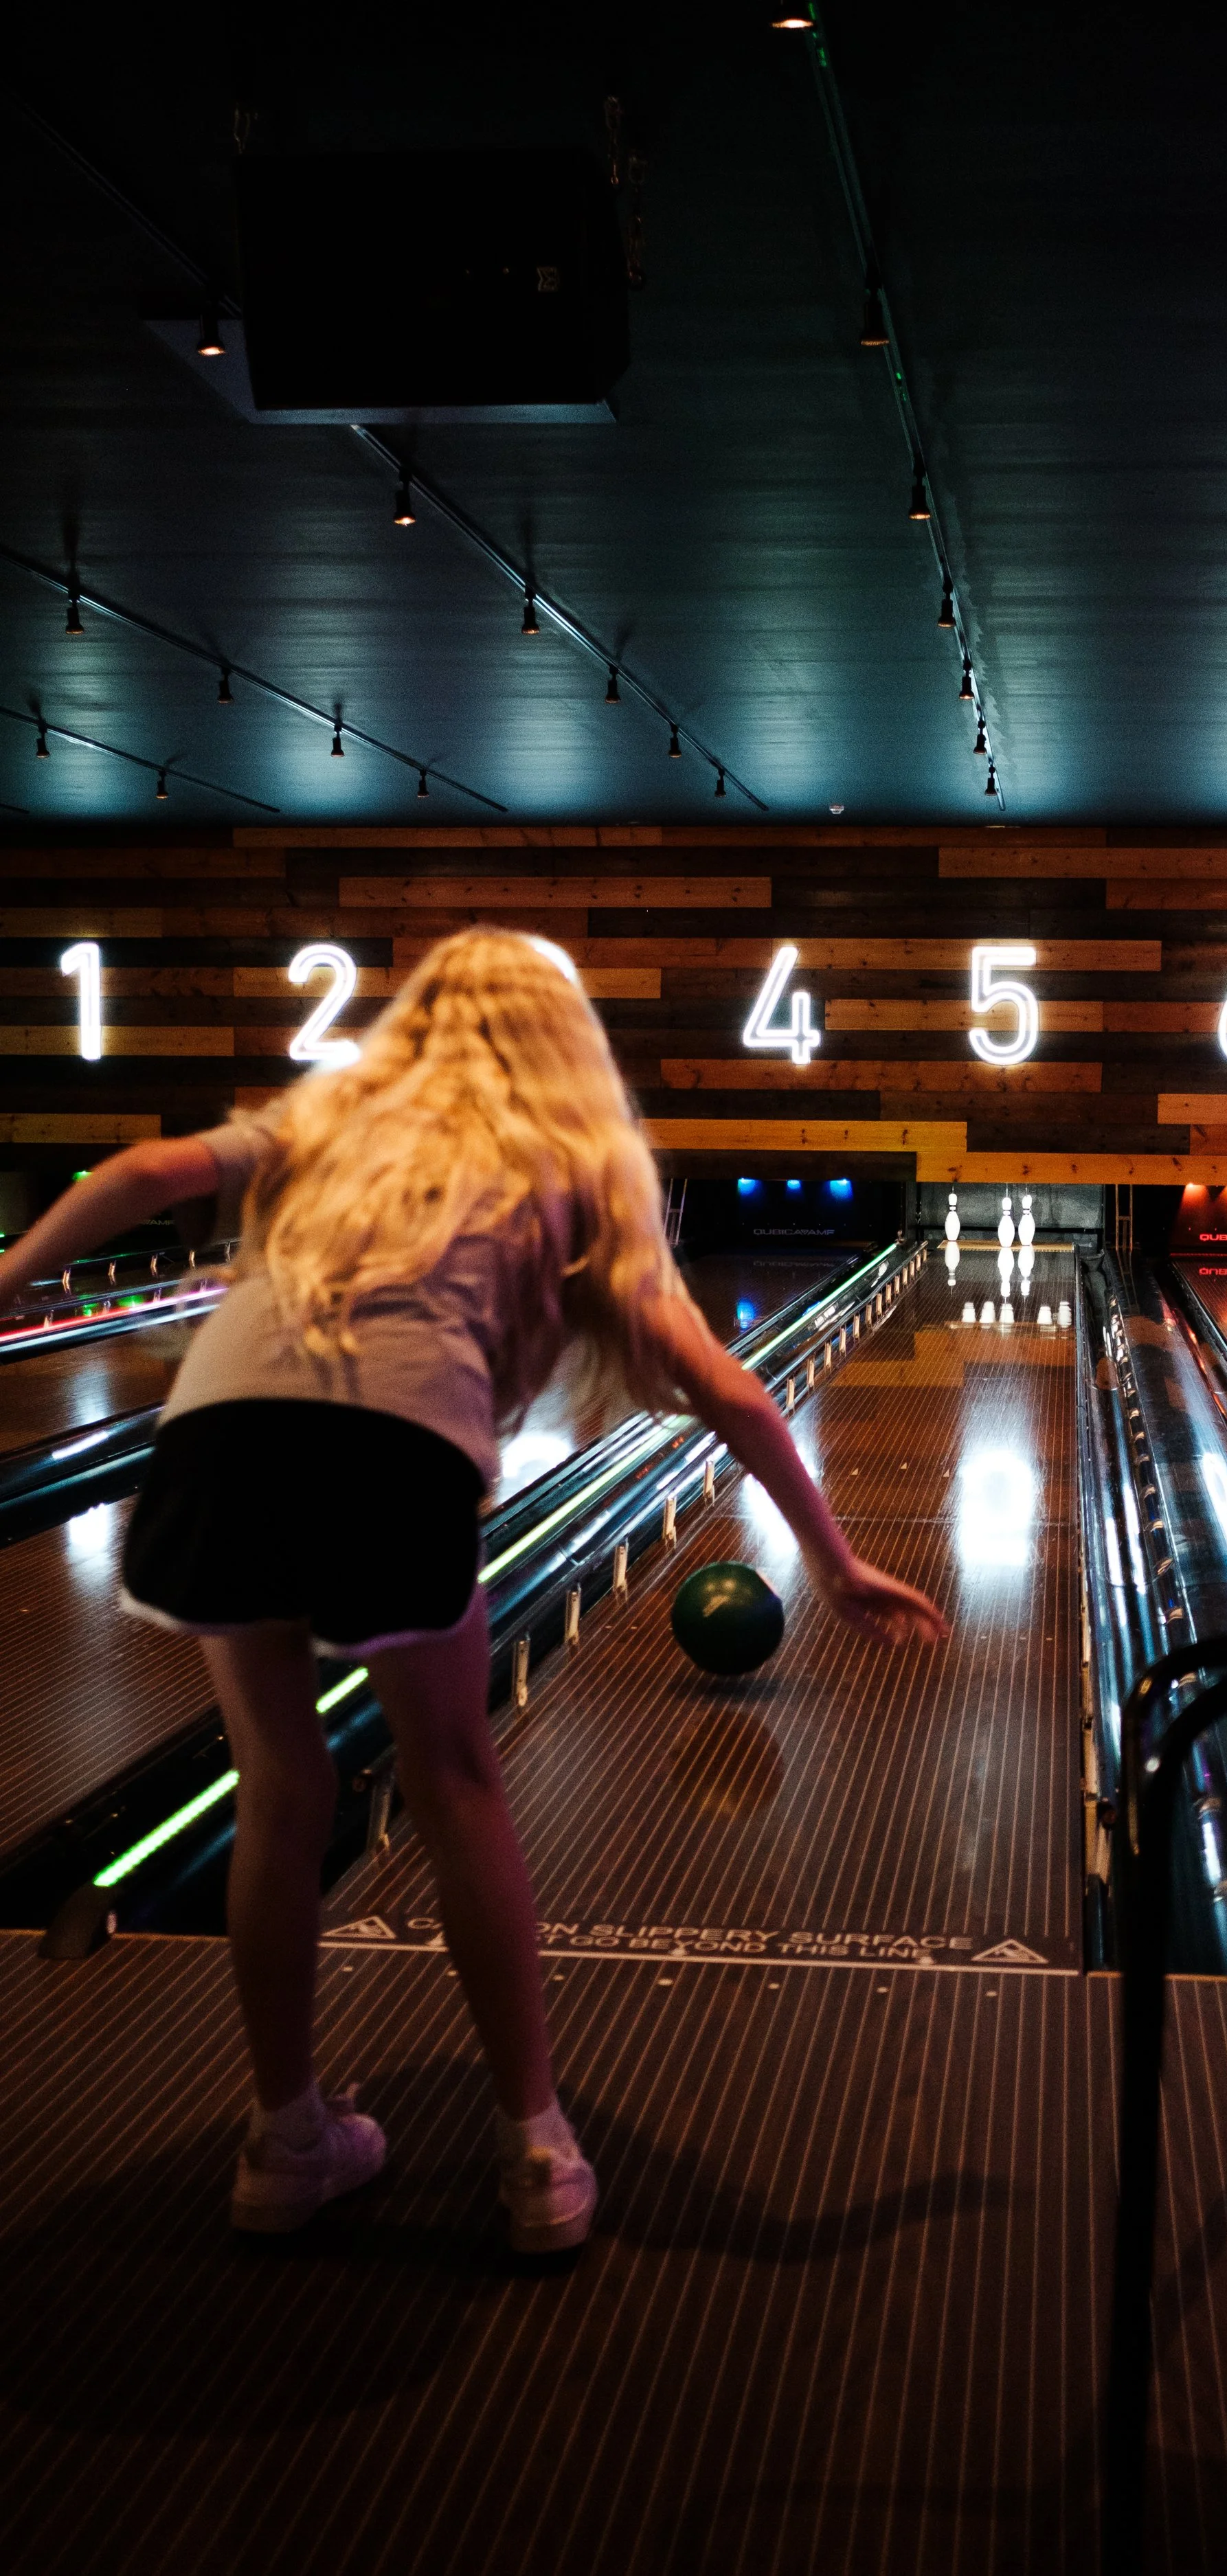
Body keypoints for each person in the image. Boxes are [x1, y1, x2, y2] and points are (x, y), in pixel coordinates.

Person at [0, 927, 947, 2250]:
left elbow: (153, 1168)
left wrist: (1, 1283)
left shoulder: (336, 1118)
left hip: (213, 1436)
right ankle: (537, 2152)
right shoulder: (570, 1162)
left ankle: (284, 2140)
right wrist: (834, 1559)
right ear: (570, 1049)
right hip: (391, 1456)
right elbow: (728, 1387)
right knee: (454, 1783)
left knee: (280, 1786)